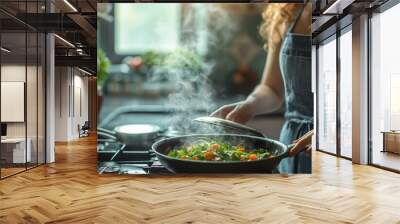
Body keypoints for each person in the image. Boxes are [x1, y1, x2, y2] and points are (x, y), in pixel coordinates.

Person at [211, 3, 313, 173]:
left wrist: (330, 134)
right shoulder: (287, 11)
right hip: (291, 144)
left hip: (339, 143)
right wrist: (249, 105)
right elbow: (271, 88)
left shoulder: (354, 7)